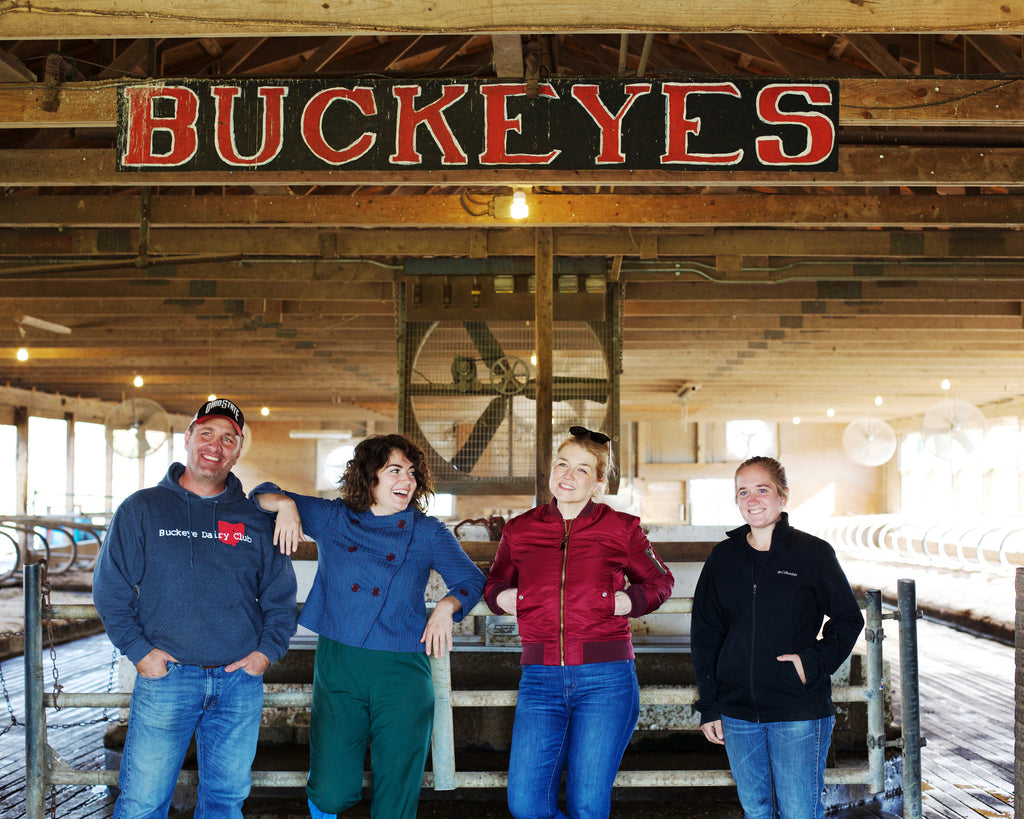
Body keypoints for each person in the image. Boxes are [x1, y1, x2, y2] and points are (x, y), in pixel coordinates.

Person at [252, 433, 485, 819]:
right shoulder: (333, 518)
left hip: (403, 672)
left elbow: (472, 580)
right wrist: (287, 505)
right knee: (330, 790)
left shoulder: (427, 531)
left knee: (396, 795)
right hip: (340, 664)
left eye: (411, 473)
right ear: (369, 476)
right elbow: (258, 495)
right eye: (394, 470)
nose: (406, 481)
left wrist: (448, 605)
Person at [93, 398, 299, 819]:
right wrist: (139, 652)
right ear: (188, 437)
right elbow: (110, 587)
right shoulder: (142, 509)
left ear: (238, 451)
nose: (215, 446)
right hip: (167, 677)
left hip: (238, 682)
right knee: (142, 803)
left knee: (224, 803)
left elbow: (280, 597)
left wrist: (265, 654)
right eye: (206, 433)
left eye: (228, 438)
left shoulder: (257, 519)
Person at [484, 426, 675, 819]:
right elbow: (495, 583)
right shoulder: (520, 529)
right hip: (539, 678)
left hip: (605, 679)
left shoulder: (621, 528)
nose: (568, 476)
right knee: (525, 805)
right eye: (562, 464)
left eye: (583, 470)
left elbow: (660, 581)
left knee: (587, 805)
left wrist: (628, 600)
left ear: (599, 482)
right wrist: (506, 599)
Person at [691, 456, 865, 819]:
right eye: (743, 491)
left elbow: (848, 618)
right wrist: (710, 705)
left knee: (799, 812)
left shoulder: (813, 554)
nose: (752, 499)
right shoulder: (723, 558)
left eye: (762, 489)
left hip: (797, 710)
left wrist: (813, 662)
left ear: (782, 496)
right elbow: (706, 634)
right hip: (737, 713)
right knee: (757, 810)